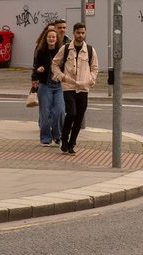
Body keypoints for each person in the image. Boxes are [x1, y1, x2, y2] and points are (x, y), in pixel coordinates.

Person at [52, 22, 98, 155]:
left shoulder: (90, 50)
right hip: (69, 86)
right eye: (78, 33)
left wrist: (91, 80)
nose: (80, 35)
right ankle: (64, 139)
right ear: (74, 33)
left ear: (85, 33)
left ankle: (72, 143)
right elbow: (55, 64)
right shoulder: (66, 48)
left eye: (83, 33)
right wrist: (61, 77)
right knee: (71, 113)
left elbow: (95, 68)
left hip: (83, 87)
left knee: (79, 117)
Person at [32, 25, 67, 147]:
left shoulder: (61, 51)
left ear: (57, 39)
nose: (51, 39)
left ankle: (58, 136)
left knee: (60, 111)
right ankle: (46, 138)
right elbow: (35, 66)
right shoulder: (41, 51)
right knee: (45, 113)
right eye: (49, 37)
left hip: (58, 86)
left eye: (53, 37)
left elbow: (65, 66)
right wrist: (38, 70)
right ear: (45, 38)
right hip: (45, 85)